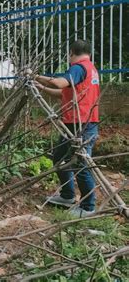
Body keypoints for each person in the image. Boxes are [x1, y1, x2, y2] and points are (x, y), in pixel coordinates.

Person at [34, 39, 100, 218]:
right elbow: (63, 93)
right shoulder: (90, 69)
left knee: (80, 164)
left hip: (82, 125)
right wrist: (42, 88)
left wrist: (38, 76)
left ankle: (88, 207)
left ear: (71, 53)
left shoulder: (78, 68)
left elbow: (58, 83)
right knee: (60, 157)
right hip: (76, 123)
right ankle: (67, 196)